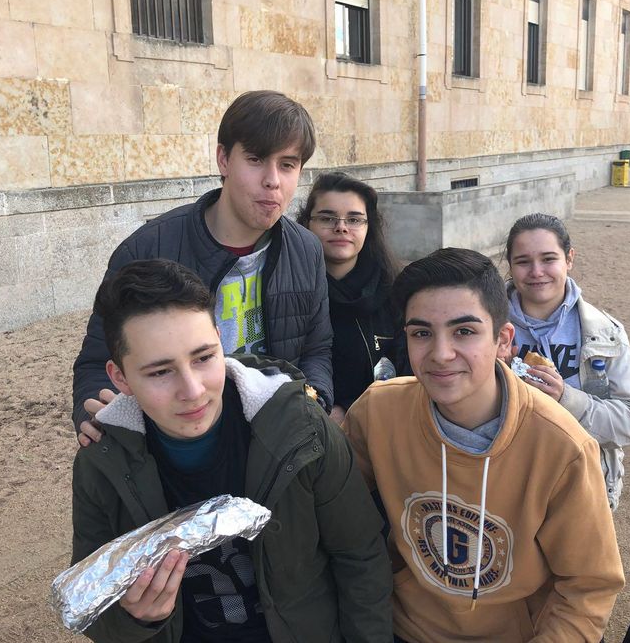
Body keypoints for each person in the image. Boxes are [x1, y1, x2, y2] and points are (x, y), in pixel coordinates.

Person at [71, 259, 393, 643]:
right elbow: (90, 606)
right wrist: (135, 619)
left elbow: (360, 555)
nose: (193, 390)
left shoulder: (301, 428)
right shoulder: (102, 462)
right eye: (160, 372)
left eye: (204, 358)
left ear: (221, 342)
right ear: (120, 378)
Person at [342, 248, 624, 642]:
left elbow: (588, 588)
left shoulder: (563, 448)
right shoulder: (378, 411)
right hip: (405, 627)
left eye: (464, 331)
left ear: (503, 340)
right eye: (422, 333)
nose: (441, 354)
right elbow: (334, 516)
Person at [73, 91, 334, 447]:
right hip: (177, 441)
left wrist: (314, 401)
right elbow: (98, 361)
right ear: (223, 159)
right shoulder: (147, 249)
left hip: (275, 438)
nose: (273, 180)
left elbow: (317, 348)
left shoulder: (306, 250)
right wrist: (94, 411)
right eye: (256, 159)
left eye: (287, 164)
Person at [504, 213, 630, 510]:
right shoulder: (484, 329)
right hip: (505, 481)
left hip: (580, 484)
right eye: (523, 261)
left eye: (548, 259)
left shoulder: (605, 332)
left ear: (569, 258)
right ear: (510, 265)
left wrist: (566, 399)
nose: (536, 272)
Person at [296, 172, 404, 423]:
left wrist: (349, 410)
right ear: (306, 223)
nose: (341, 227)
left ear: (369, 227)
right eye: (327, 218)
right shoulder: (290, 290)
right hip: (312, 427)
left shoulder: (395, 290)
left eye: (354, 219)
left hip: (384, 423)